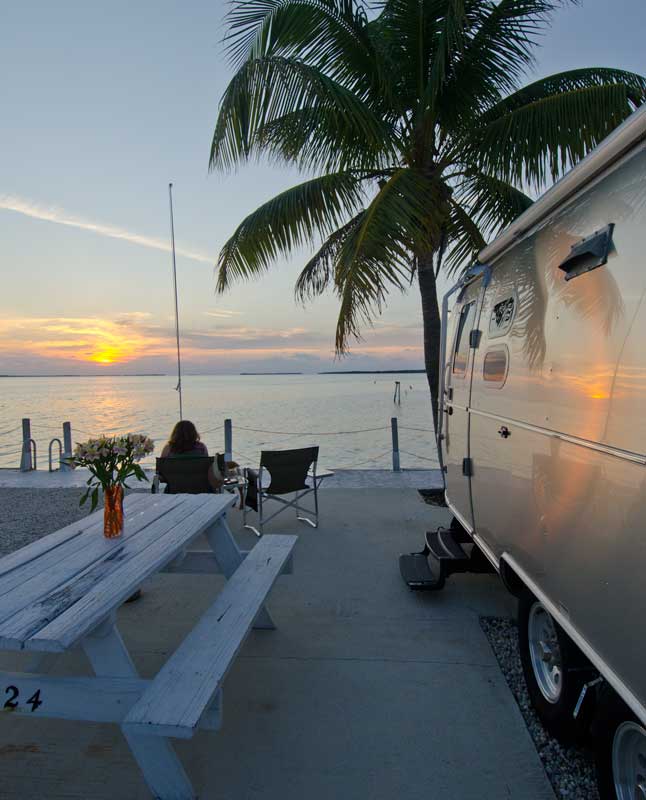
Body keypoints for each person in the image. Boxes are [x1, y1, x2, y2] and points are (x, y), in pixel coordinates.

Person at [161, 420, 224, 491]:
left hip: (174, 489)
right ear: (194, 433)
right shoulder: (202, 448)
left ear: (175, 433)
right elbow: (206, 469)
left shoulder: (168, 448)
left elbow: (162, 473)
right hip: (200, 489)